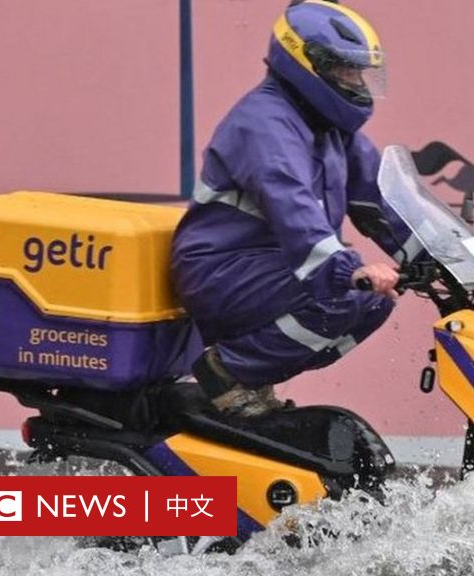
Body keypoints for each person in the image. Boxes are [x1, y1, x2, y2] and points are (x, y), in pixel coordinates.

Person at [170, 0, 422, 418]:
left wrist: (437, 257)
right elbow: (293, 206)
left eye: (358, 70)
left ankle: (252, 376)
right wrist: (345, 269)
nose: (355, 80)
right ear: (306, 63)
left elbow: (381, 199)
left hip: (270, 269)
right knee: (337, 293)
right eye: (344, 69)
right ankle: (227, 371)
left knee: (376, 302)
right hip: (221, 270)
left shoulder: (330, 127)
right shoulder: (265, 123)